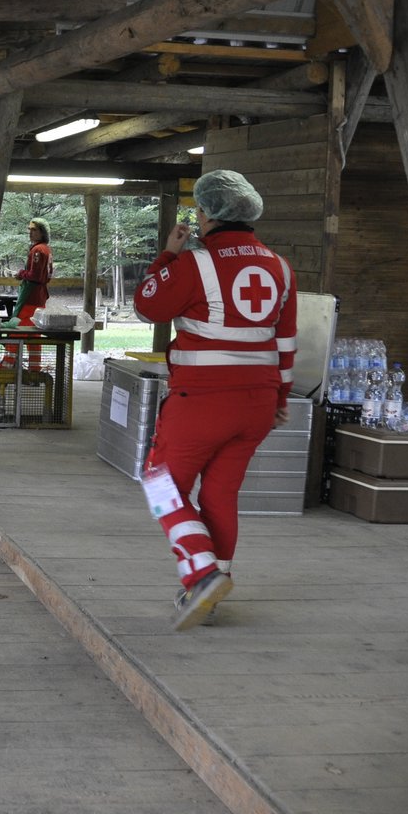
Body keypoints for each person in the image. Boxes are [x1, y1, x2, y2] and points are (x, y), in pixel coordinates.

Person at [134, 169, 297, 631]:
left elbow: (148, 305)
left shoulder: (195, 263)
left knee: (161, 485)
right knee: (221, 492)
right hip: (259, 404)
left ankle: (201, 575)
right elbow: (286, 343)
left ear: (206, 213)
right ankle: (211, 588)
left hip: (203, 400)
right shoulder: (281, 268)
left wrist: (168, 253)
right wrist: (280, 397)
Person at [13, 218, 54, 327]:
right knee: (34, 333)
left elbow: (35, 276)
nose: (30, 233)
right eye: (29, 230)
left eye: (34, 230)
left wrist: (21, 274)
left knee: (17, 329)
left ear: (42, 232)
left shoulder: (38, 250)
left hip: (31, 296)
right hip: (40, 296)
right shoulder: (47, 249)